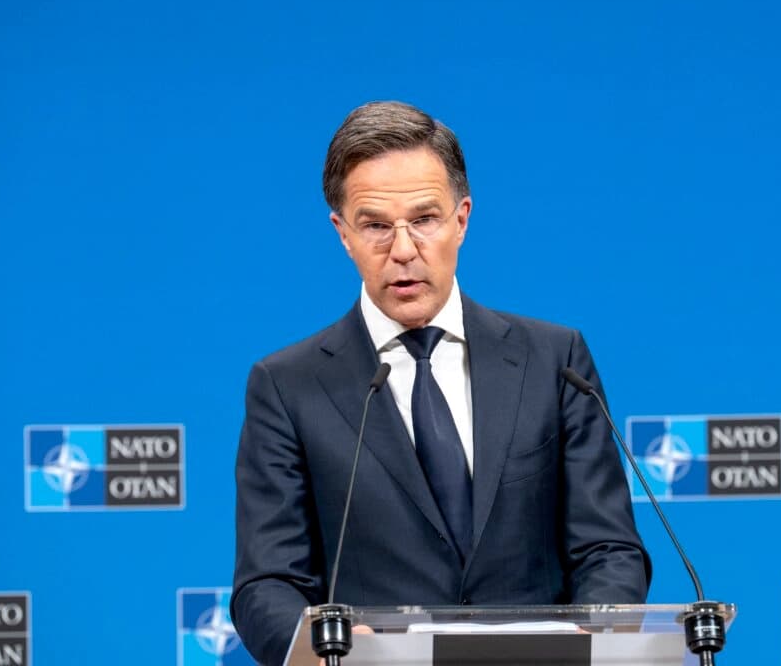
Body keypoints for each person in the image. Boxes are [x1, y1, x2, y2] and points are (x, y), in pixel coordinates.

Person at [230, 101, 651, 665]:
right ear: (343, 233)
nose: (402, 249)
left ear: (462, 218)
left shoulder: (554, 360)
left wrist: (588, 644)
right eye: (376, 225)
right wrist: (343, 655)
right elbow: (267, 585)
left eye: (424, 219)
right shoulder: (288, 386)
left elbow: (609, 548)